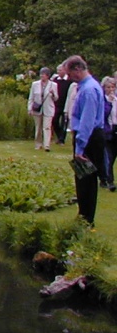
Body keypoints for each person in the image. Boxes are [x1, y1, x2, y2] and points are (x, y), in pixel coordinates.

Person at [64, 55, 106, 226]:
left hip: (89, 138)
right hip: (89, 136)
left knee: (86, 180)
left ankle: (86, 219)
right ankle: (83, 215)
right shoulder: (86, 87)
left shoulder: (88, 90)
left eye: (70, 74)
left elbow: (87, 121)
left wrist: (80, 147)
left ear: (78, 69)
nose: (69, 78)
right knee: (83, 179)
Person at [27, 67, 58, 150]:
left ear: (47, 76)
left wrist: (53, 94)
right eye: (41, 74)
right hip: (37, 109)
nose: (41, 76)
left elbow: (56, 98)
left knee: (47, 127)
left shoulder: (53, 85)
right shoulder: (35, 84)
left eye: (43, 74)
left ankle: (46, 145)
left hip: (48, 109)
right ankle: (38, 144)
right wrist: (29, 108)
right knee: (38, 128)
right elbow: (31, 97)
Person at [52, 63, 73, 144]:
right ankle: (59, 134)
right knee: (54, 121)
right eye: (58, 70)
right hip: (57, 104)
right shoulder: (55, 80)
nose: (58, 72)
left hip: (66, 104)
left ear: (64, 71)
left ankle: (61, 139)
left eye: (60, 70)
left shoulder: (69, 81)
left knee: (64, 122)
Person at [103, 76, 117, 191]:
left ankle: (105, 177)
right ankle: (109, 181)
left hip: (116, 128)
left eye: (113, 87)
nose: (111, 89)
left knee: (113, 156)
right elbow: (104, 114)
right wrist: (110, 103)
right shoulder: (103, 101)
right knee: (109, 156)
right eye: (108, 87)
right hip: (107, 130)